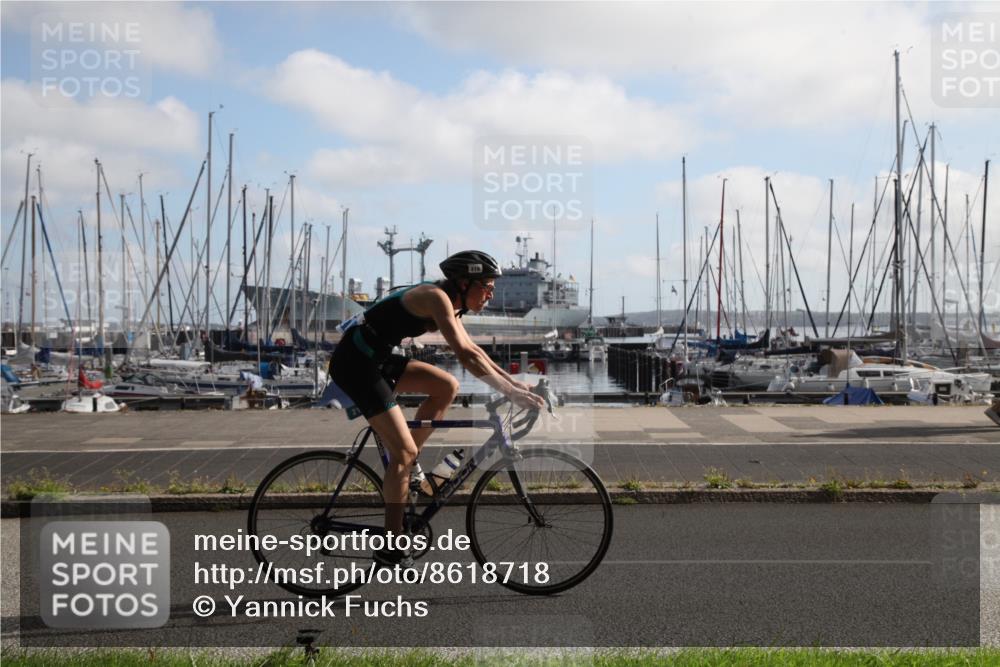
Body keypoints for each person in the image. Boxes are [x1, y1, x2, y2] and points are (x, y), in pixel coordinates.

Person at [328, 250, 545, 566]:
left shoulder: (451, 305)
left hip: (377, 359)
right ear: (462, 282)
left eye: (492, 288)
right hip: (356, 364)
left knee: (447, 386)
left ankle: (405, 473)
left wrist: (515, 384)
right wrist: (510, 391)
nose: (490, 294)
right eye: (485, 286)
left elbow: (473, 350)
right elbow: (466, 357)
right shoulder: (435, 297)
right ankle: (391, 544)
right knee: (402, 453)